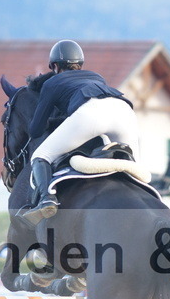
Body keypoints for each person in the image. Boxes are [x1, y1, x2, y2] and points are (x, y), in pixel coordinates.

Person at [21, 39, 139, 225]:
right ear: (81, 64)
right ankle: (148, 200)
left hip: (92, 113)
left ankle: (46, 199)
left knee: (40, 155)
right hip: (125, 111)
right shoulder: (97, 77)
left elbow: (35, 130)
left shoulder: (52, 83)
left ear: (54, 66)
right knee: (135, 170)